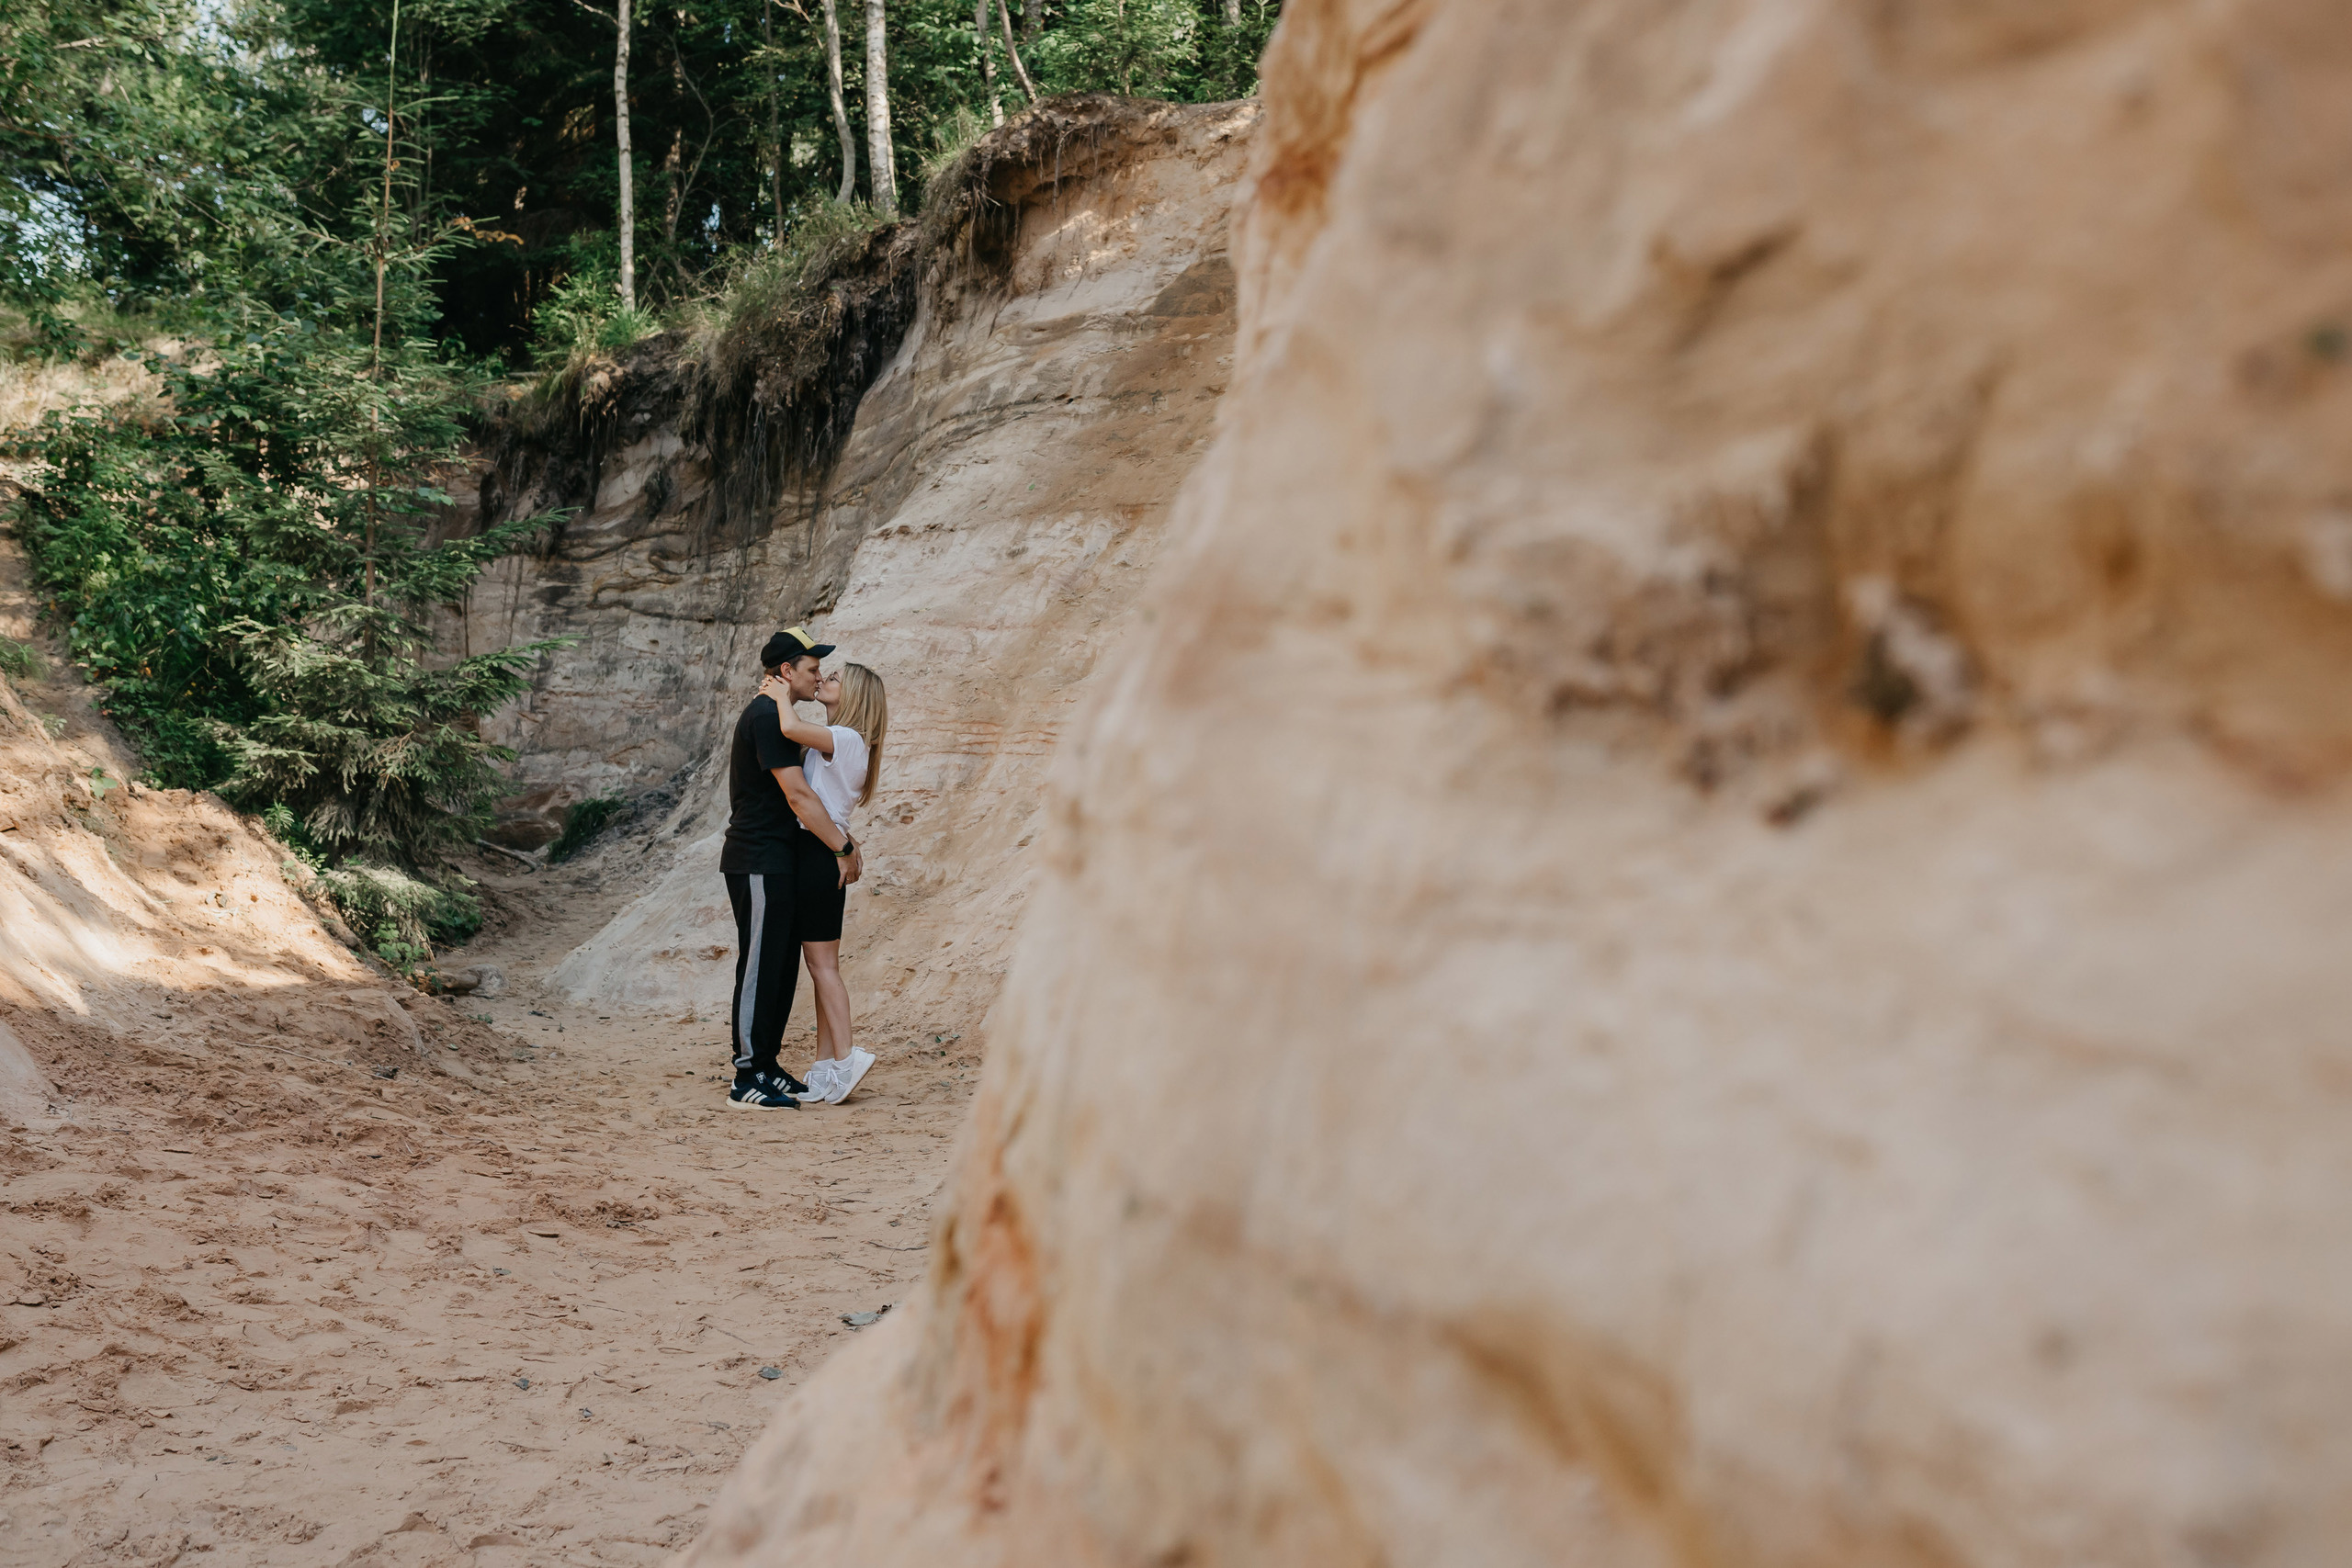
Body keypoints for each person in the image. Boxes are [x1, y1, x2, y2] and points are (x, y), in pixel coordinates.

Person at [717, 627, 862, 1110]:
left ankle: (767, 1066)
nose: (818, 675)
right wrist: (843, 848)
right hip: (757, 858)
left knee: (778, 966)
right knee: (760, 966)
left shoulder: (781, 718)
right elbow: (799, 796)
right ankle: (746, 1076)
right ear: (786, 672)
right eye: (811, 669)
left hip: (779, 860)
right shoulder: (765, 715)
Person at [758, 660, 888, 1104]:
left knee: (823, 967)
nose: (823, 681)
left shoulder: (846, 739)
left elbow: (791, 729)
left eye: (833, 678)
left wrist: (778, 694)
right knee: (821, 967)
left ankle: (848, 1056)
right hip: (820, 851)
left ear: (852, 695)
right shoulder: (840, 744)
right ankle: (825, 1068)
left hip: (818, 855)